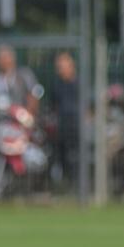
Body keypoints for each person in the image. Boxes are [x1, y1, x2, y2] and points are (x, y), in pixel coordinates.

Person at [50, 52, 80, 186]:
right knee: (62, 157)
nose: (60, 70)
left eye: (63, 66)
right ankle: (66, 185)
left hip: (78, 127)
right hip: (62, 127)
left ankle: (79, 185)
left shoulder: (80, 83)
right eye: (58, 67)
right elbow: (54, 106)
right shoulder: (57, 85)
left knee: (77, 157)